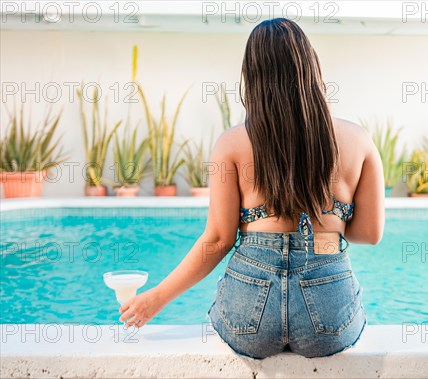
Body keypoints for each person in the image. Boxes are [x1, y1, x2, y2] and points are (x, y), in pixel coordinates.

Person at [119, 17, 385, 359]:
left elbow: (218, 240)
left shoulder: (231, 143)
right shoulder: (359, 140)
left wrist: (154, 299)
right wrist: (324, 223)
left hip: (250, 315)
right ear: (311, 65)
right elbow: (369, 233)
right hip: (329, 315)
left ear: (253, 76)